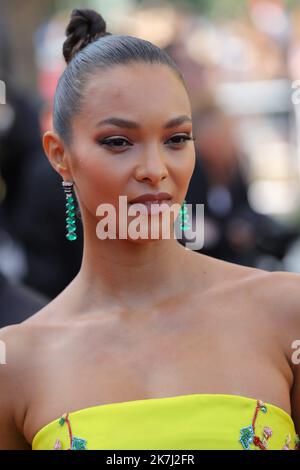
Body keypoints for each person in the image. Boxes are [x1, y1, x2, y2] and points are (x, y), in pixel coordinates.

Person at [0, 8, 299, 450]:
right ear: (59, 155)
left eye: (176, 139)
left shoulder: (286, 311)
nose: (155, 169)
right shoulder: (16, 362)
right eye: (118, 141)